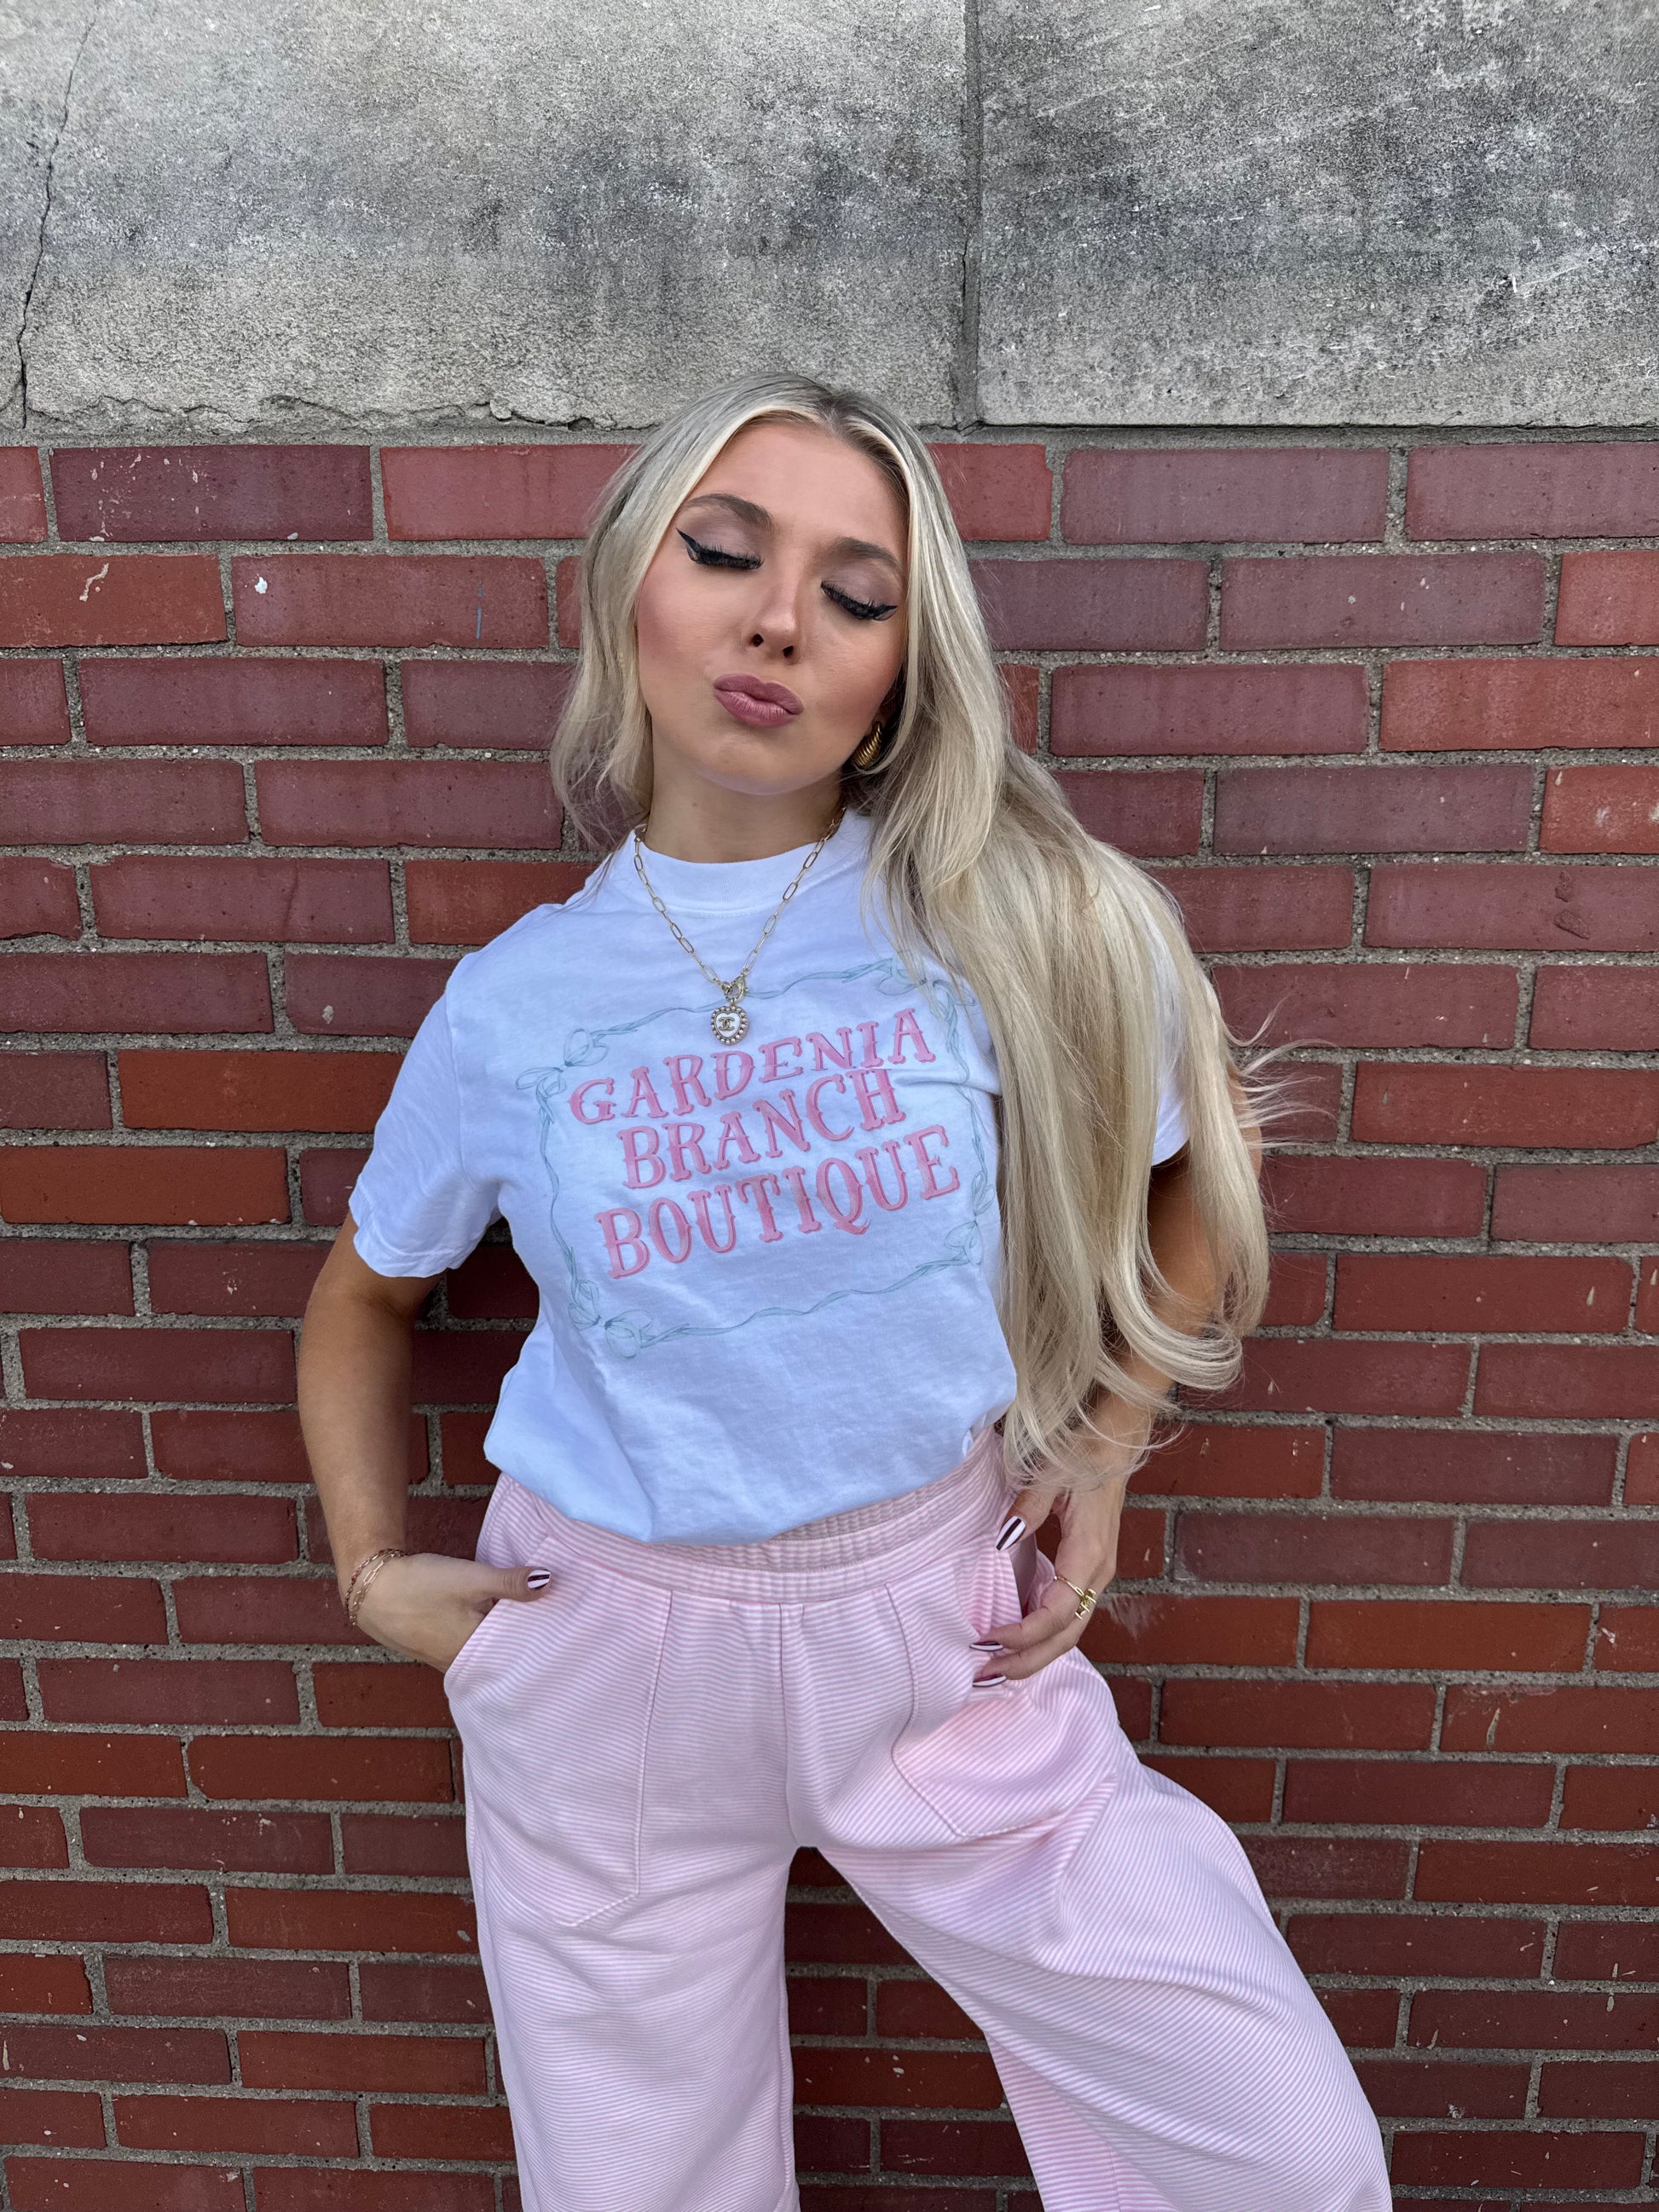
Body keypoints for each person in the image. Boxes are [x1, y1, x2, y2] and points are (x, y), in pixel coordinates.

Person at [298, 373, 1391, 2212]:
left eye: (855, 591)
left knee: (1278, 2150)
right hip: (605, 1646)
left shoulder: (1004, 917)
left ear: (898, 665)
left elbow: (1194, 1160)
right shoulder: (515, 1003)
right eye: (725, 553)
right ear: (629, 586)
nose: (779, 620)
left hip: (938, 1628)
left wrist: (1102, 1443)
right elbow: (362, 1296)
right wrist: (370, 1572)